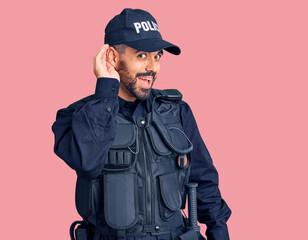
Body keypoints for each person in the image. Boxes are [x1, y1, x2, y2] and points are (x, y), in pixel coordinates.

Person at [51, 8, 231, 240]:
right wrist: (106, 90)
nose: (153, 68)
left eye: (157, 56)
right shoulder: (76, 116)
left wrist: (219, 233)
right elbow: (87, 163)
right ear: (113, 57)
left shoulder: (177, 111)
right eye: (142, 55)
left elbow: (204, 181)